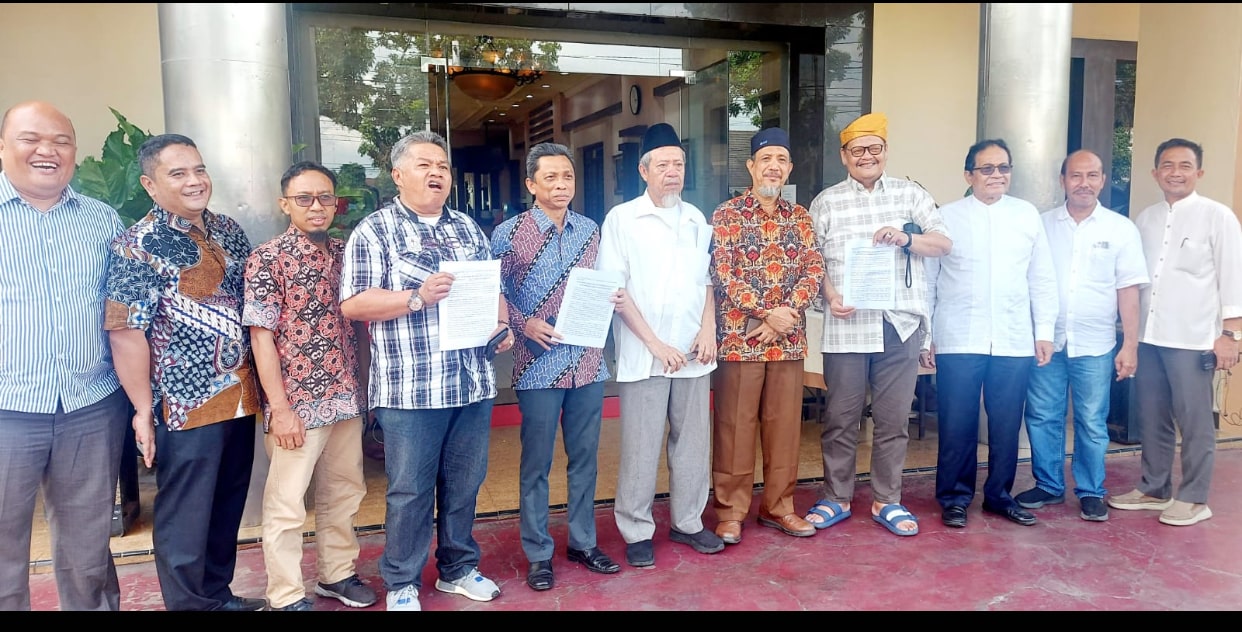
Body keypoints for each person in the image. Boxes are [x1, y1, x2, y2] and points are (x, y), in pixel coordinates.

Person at [339, 130, 515, 611]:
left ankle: (457, 569)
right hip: (411, 388)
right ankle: (402, 582)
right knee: (410, 491)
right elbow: (354, 303)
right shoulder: (375, 231)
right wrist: (416, 298)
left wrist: (502, 324)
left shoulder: (468, 228)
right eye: (424, 165)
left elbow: (491, 288)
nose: (436, 173)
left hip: (471, 381)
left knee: (464, 485)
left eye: (442, 166)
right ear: (398, 175)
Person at [105, 133, 266, 611]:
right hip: (183, 402)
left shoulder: (228, 229)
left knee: (227, 501)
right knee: (185, 513)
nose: (194, 181)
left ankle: (217, 594)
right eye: (178, 173)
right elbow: (125, 331)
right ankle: (190, 604)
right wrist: (141, 409)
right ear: (150, 185)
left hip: (240, 393)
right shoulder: (136, 245)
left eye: (199, 169)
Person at [0, 101, 129, 611]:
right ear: (3, 147)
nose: (47, 151)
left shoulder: (102, 220)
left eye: (61, 141)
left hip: (89, 404)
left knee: (88, 546)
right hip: (7, 406)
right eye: (31, 139)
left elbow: (123, 311)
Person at [806, 112, 951, 537]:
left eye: (874, 148)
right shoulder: (827, 202)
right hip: (846, 326)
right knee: (840, 418)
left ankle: (888, 500)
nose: (866, 156)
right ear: (844, 156)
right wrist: (829, 295)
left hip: (898, 324)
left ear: (886, 152)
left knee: (892, 421)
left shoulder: (911, 194)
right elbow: (813, 260)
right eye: (857, 150)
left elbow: (943, 243)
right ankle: (836, 497)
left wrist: (907, 238)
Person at [243, 161, 376, 611]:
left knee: (345, 491)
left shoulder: (345, 252)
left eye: (325, 197)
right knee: (286, 504)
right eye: (304, 199)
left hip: (345, 397)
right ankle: (284, 594)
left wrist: (364, 390)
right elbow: (260, 336)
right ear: (285, 204)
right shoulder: (268, 258)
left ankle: (336, 574)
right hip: (297, 404)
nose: (316, 206)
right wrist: (279, 409)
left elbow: (359, 324)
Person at [491, 142, 622, 592]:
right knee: (537, 463)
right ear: (531, 184)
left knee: (585, 459)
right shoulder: (508, 233)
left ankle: (583, 542)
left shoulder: (590, 230)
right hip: (537, 365)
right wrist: (524, 323)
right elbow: (493, 291)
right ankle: (539, 553)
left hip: (587, 363)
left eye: (567, 176)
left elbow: (600, 284)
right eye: (550, 177)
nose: (561, 185)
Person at [597, 122, 722, 567]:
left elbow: (707, 281)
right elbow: (616, 291)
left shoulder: (695, 218)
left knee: (693, 445)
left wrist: (708, 329)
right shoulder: (622, 219)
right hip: (645, 354)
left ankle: (688, 522)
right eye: (664, 165)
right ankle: (636, 529)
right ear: (643, 171)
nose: (673, 172)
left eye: (679, 164)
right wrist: (655, 344)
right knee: (641, 446)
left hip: (694, 354)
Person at [924, 138, 1058, 529]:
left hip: (1013, 338)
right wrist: (926, 335)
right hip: (958, 336)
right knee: (956, 423)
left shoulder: (1026, 215)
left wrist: (1043, 331)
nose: (996, 175)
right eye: (987, 168)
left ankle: (999, 496)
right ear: (969, 175)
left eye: (1003, 167)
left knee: (1006, 424)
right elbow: (929, 281)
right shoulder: (945, 217)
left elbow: (1041, 277)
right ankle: (954, 498)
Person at [1107, 138, 1242, 527]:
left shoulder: (1218, 216)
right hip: (1150, 337)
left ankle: (1195, 498)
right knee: (1152, 416)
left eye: (1185, 166)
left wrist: (1231, 336)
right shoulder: (1145, 219)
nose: (1176, 173)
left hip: (1194, 339)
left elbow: (1234, 276)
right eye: (1167, 165)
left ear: (1199, 172)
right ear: (1155, 173)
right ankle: (1154, 488)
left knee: (1195, 421)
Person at [1017, 150, 1149, 522]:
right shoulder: (1042, 225)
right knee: (1043, 415)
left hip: (1095, 343)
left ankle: (1091, 490)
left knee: (1091, 420)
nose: (1084, 183)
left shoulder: (1120, 229)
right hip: (1047, 340)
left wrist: (1130, 344)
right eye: (1076, 176)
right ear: (1062, 180)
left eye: (1092, 176)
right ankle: (1048, 484)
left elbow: (1128, 289)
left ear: (1103, 181)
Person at [709, 127, 825, 544]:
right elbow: (723, 273)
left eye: (781, 160)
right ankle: (731, 512)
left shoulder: (801, 217)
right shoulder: (727, 215)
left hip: (788, 340)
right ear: (751, 166)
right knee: (735, 427)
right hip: (740, 340)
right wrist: (766, 313)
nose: (773, 167)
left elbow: (814, 268)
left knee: (784, 429)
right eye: (765, 159)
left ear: (789, 168)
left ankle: (779, 507)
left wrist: (784, 317)